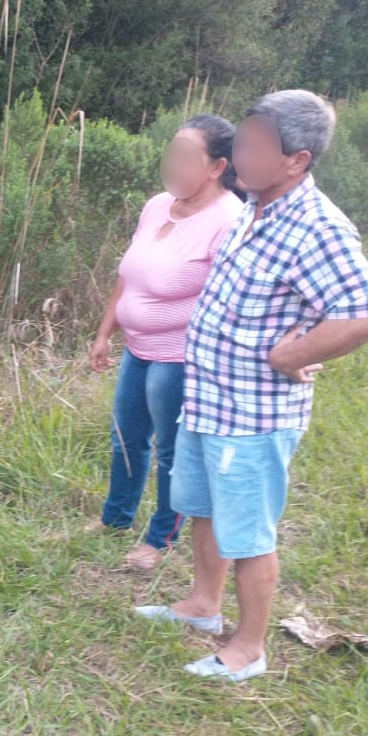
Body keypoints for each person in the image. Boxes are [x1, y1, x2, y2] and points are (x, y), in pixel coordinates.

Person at [135, 90, 368, 681]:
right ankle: (202, 604)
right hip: (207, 399)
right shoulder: (251, 207)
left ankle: (248, 649)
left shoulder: (316, 226)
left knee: (249, 533)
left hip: (252, 415)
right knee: (202, 508)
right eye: (242, 142)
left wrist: (292, 354)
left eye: (255, 147)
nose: (240, 156)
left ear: (296, 160)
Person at [88, 116, 246, 570]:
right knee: (126, 438)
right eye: (171, 152)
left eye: (186, 156)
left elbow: (231, 301)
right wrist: (105, 332)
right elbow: (128, 276)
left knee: (173, 451)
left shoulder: (229, 220)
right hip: (136, 350)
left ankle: (160, 540)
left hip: (180, 358)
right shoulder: (158, 205)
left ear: (217, 167)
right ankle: (115, 518)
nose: (173, 164)